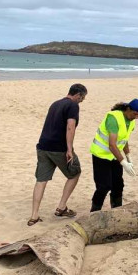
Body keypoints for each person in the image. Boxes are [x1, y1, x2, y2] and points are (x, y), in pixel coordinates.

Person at [28, 84, 87, 226]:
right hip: (59, 147)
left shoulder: (55, 103)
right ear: (78, 95)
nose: (82, 101)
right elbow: (70, 127)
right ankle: (61, 207)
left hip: (43, 146)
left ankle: (34, 216)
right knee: (75, 173)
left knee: (41, 180)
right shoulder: (73, 105)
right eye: (83, 98)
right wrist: (69, 150)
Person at [89, 99, 138, 211]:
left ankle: (117, 210)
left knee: (118, 185)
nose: (136, 117)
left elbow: (124, 139)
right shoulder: (113, 118)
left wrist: (128, 156)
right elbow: (112, 145)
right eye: (135, 114)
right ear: (128, 109)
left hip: (115, 156)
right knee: (104, 186)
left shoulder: (131, 120)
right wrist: (123, 163)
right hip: (101, 155)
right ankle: (94, 211)